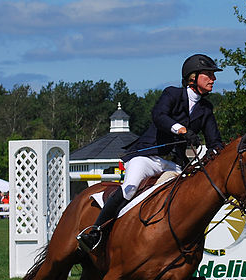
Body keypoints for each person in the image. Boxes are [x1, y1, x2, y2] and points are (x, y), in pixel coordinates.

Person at [77, 54, 224, 253]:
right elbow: (159, 116)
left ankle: (182, 258)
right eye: (208, 75)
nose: (213, 79)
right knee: (129, 189)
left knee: (185, 203)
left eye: (213, 76)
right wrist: (181, 130)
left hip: (173, 164)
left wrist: (222, 154)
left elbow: (215, 141)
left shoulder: (206, 109)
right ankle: (95, 231)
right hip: (147, 157)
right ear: (193, 77)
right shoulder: (172, 94)